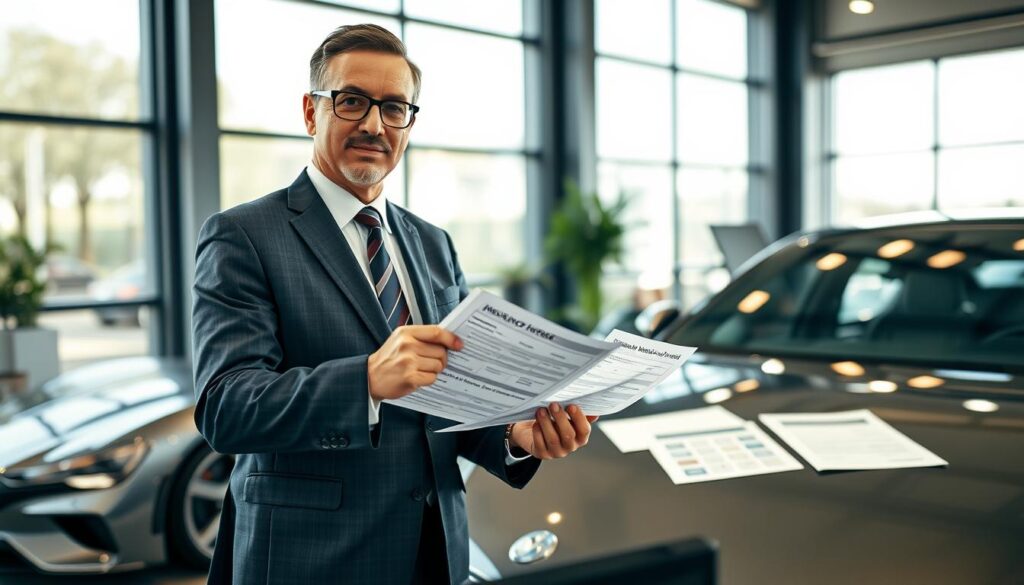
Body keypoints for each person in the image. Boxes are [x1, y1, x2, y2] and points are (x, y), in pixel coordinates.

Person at [191, 24, 596, 585]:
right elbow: (225, 408)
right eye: (352, 101)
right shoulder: (243, 235)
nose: (374, 125)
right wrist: (365, 381)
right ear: (312, 113)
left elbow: (451, 398)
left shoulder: (432, 243)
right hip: (309, 558)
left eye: (394, 108)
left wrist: (513, 437)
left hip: (435, 552)